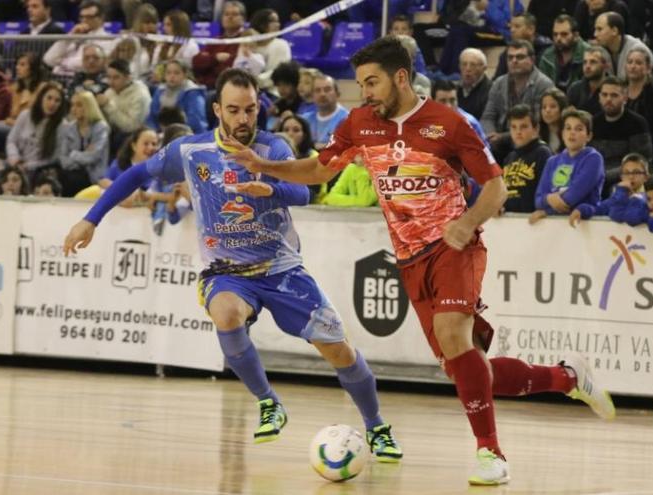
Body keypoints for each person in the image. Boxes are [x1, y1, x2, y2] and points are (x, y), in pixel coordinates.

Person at [224, 37, 614, 486]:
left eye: (372, 82)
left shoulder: (451, 124)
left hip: (454, 247)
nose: (364, 92)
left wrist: (467, 224)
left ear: (401, 78)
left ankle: (491, 455)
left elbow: (496, 188)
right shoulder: (359, 124)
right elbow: (320, 170)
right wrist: (264, 167)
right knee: (469, 368)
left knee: (453, 337)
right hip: (409, 259)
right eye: (361, 83)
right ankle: (567, 377)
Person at [63, 68, 404, 463]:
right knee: (225, 314)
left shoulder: (273, 148)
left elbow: (303, 193)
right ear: (217, 110)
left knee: (339, 352)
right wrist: (91, 219)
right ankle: (268, 402)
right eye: (234, 110)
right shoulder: (191, 151)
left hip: (281, 269)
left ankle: (377, 425)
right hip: (225, 271)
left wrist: (270, 186)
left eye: (250, 110)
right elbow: (138, 174)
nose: (243, 119)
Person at [481, 40, 554, 159]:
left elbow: (538, 123)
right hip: (500, 142)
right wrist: (490, 135)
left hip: (531, 142)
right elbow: (488, 116)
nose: (514, 61)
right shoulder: (499, 83)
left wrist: (502, 137)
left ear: (532, 60)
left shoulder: (544, 85)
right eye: (510, 57)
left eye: (520, 57)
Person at [529, 108, 605, 221]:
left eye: (578, 129)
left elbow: (573, 197)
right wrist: (548, 198)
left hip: (586, 223)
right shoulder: (552, 162)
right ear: (563, 133)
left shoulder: (593, 158)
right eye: (568, 128)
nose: (572, 132)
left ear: (589, 136)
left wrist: (547, 210)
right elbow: (538, 200)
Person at [589, 76, 653, 194]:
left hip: (625, 178)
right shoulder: (593, 122)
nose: (608, 99)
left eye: (614, 95)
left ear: (625, 98)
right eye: (604, 95)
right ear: (599, 97)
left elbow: (641, 160)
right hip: (596, 177)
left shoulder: (637, 123)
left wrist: (601, 176)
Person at [569, 152, 648, 225]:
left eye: (636, 172)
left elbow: (621, 215)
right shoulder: (617, 197)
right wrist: (581, 209)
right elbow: (597, 209)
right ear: (621, 177)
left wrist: (621, 191)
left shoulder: (651, 199)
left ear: (646, 177)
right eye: (626, 173)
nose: (631, 177)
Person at [500, 104, 552, 213]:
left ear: (536, 129)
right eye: (513, 127)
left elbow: (547, 189)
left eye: (523, 126)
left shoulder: (542, 153)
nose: (518, 132)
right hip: (510, 220)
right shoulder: (509, 158)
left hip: (534, 219)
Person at [58, 90, 110, 195]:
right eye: (72, 105)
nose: (73, 109)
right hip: (72, 174)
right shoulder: (68, 128)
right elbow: (63, 160)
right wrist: (83, 156)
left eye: (79, 105)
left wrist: (73, 154)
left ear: (89, 107)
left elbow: (93, 156)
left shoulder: (100, 128)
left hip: (94, 178)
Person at [148, 59, 208, 134]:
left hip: (187, 134)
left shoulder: (193, 92)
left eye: (176, 73)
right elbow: (151, 116)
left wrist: (171, 132)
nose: (172, 76)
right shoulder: (160, 90)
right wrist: (154, 132)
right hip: (162, 133)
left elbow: (196, 122)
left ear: (185, 75)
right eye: (168, 73)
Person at [593, 12, 653, 80]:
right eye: (595, 29)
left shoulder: (638, 50)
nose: (595, 34)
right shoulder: (599, 50)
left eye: (599, 29)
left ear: (614, 31)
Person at [539, 14, 590, 92]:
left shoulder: (588, 54)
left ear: (576, 35)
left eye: (564, 34)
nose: (558, 38)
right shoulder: (547, 56)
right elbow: (542, 88)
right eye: (555, 34)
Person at [301, 75, 349, 150]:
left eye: (327, 89)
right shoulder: (304, 120)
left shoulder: (348, 119)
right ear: (312, 96)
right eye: (317, 90)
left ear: (337, 94)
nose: (322, 94)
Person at [566, 46, 612, 116]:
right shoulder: (575, 89)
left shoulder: (614, 89)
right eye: (585, 62)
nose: (587, 66)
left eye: (593, 62)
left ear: (605, 65)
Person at [457, 48, 492, 119]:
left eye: (473, 65)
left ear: (484, 68)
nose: (468, 69)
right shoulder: (454, 88)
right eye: (464, 64)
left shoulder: (491, 90)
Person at [538, 88, 569, 152]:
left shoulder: (570, 133)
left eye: (553, 106)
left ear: (562, 109)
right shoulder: (537, 134)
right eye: (544, 107)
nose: (547, 110)